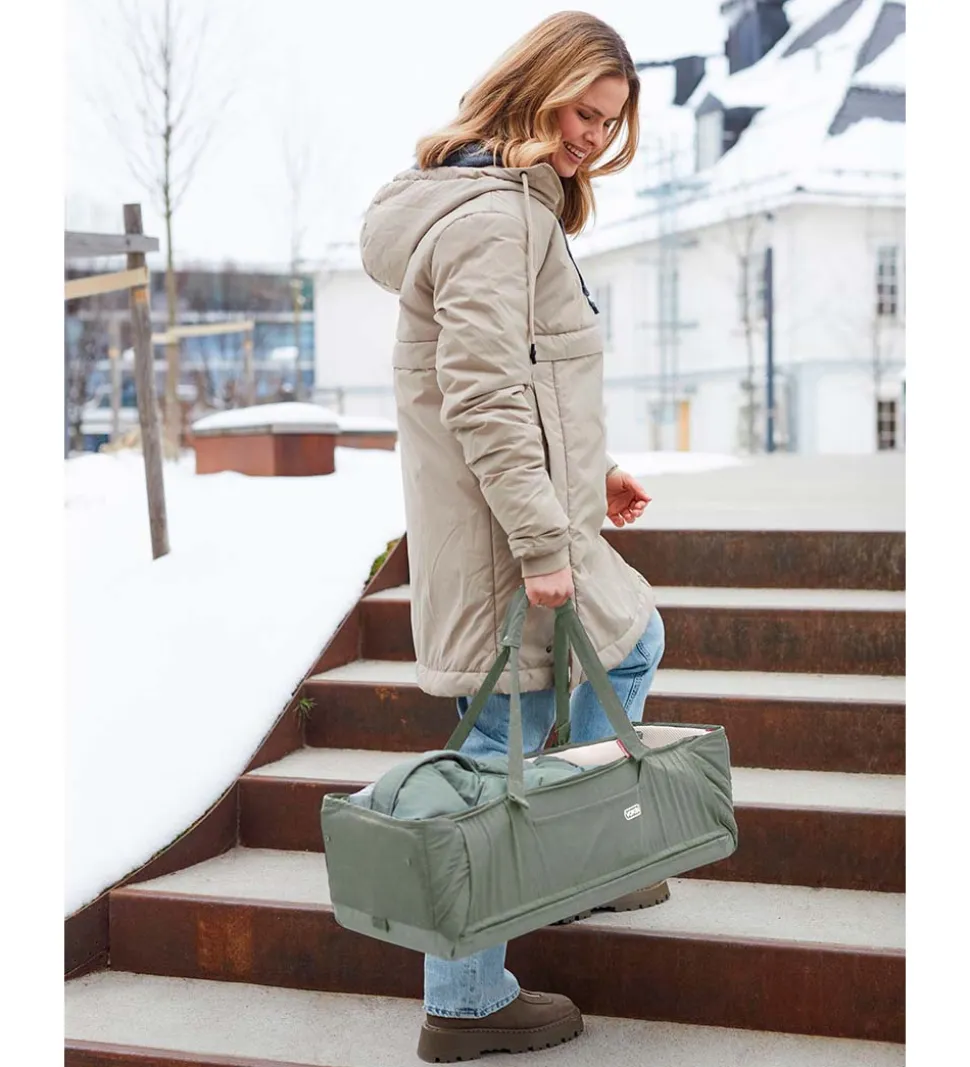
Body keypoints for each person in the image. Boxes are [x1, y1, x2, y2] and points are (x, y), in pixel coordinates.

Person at [358, 11, 666, 1062]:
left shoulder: (505, 206)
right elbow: (485, 396)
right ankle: (464, 997)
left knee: (619, 652)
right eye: (583, 111)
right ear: (533, 88)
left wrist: (594, 472)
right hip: (505, 542)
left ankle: (582, 853)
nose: (592, 137)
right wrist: (542, 543)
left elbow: (528, 382)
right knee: (500, 748)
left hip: (517, 520)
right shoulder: (495, 218)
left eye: (610, 123)